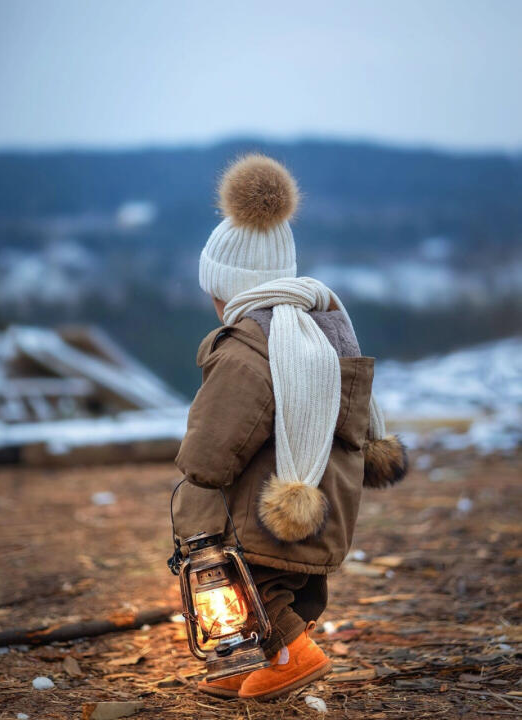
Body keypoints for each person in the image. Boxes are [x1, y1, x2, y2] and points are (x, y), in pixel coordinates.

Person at [172, 154, 407, 701]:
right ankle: (256, 658)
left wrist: (196, 468)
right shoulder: (322, 330)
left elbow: (215, 443)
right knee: (289, 586)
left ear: (225, 290)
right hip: (321, 502)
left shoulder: (248, 349)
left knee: (244, 581)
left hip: (260, 512)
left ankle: (287, 654)